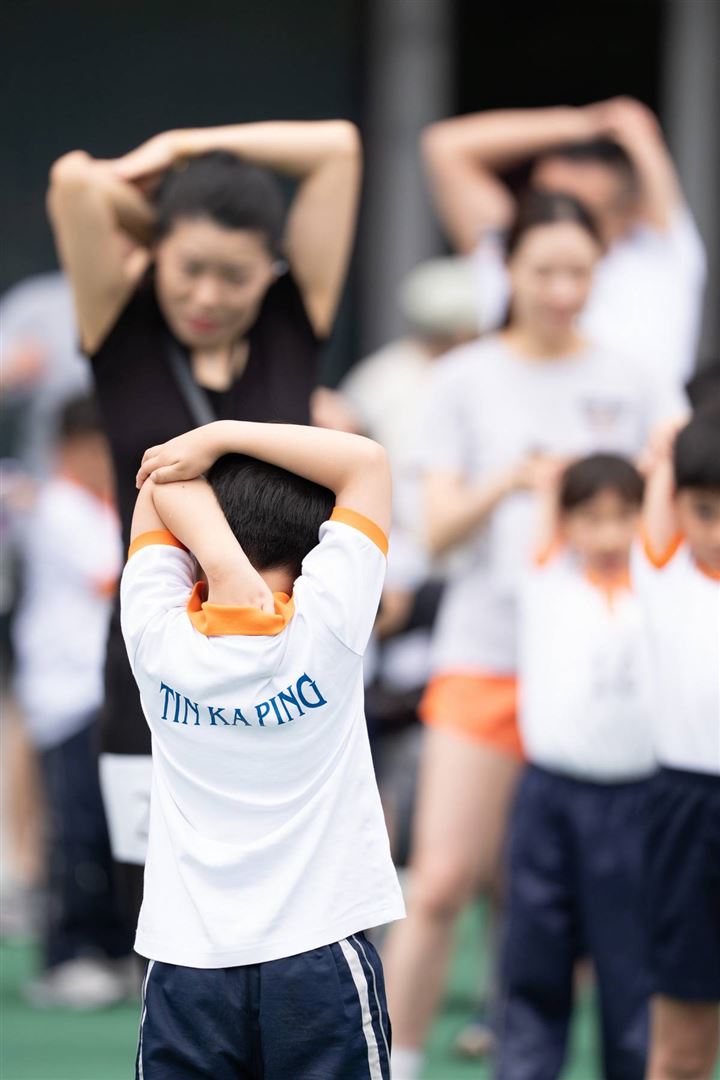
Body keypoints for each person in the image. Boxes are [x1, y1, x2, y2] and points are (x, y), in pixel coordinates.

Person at [382, 191, 684, 1080]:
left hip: (603, 671)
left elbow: (674, 503)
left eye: (579, 272)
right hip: (488, 656)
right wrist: (515, 483)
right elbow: (435, 532)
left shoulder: (633, 376)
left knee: (579, 898)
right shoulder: (464, 378)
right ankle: (393, 1058)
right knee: (442, 878)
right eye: (544, 270)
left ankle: (535, 1049)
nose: (561, 290)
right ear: (506, 269)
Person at [47, 119, 361, 920]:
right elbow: (76, 180)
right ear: (154, 254)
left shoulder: (292, 318)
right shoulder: (121, 325)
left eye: (236, 275)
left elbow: (338, 148)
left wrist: (185, 147)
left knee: (285, 897)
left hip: (287, 651)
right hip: (154, 653)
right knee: (158, 902)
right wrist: (165, 210)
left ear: (272, 270)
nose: (209, 296)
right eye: (190, 268)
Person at [121, 418, 404, 1079]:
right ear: (314, 553)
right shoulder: (328, 627)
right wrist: (222, 435)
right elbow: (366, 463)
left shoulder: (156, 638)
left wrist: (222, 561)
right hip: (320, 954)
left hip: (185, 963)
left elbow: (157, 478)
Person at [496, 454, 654, 1080]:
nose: (609, 535)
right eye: (591, 518)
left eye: (625, 517)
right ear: (565, 524)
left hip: (639, 802)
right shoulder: (547, 582)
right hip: (551, 798)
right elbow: (546, 522)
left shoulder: (660, 592)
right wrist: (546, 485)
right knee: (535, 953)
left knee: (633, 963)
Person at [422, 97, 706, 384]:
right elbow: (445, 146)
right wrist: (586, 122)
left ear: (626, 210)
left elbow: (639, 131)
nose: (562, 295)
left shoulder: (656, 255)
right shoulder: (508, 246)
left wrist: (628, 129)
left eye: (583, 215)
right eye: (547, 203)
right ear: (512, 265)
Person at [12, 396, 133, 1007]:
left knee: (112, 825)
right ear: (71, 449)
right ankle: (68, 954)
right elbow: (114, 577)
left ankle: (109, 949)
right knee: (77, 829)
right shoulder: (60, 506)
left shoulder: (95, 505)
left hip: (100, 692)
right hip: (66, 695)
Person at [633, 411, 720, 1080]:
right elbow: (672, 457)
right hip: (689, 812)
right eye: (704, 511)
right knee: (682, 1045)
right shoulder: (666, 571)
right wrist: (670, 449)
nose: (717, 531)